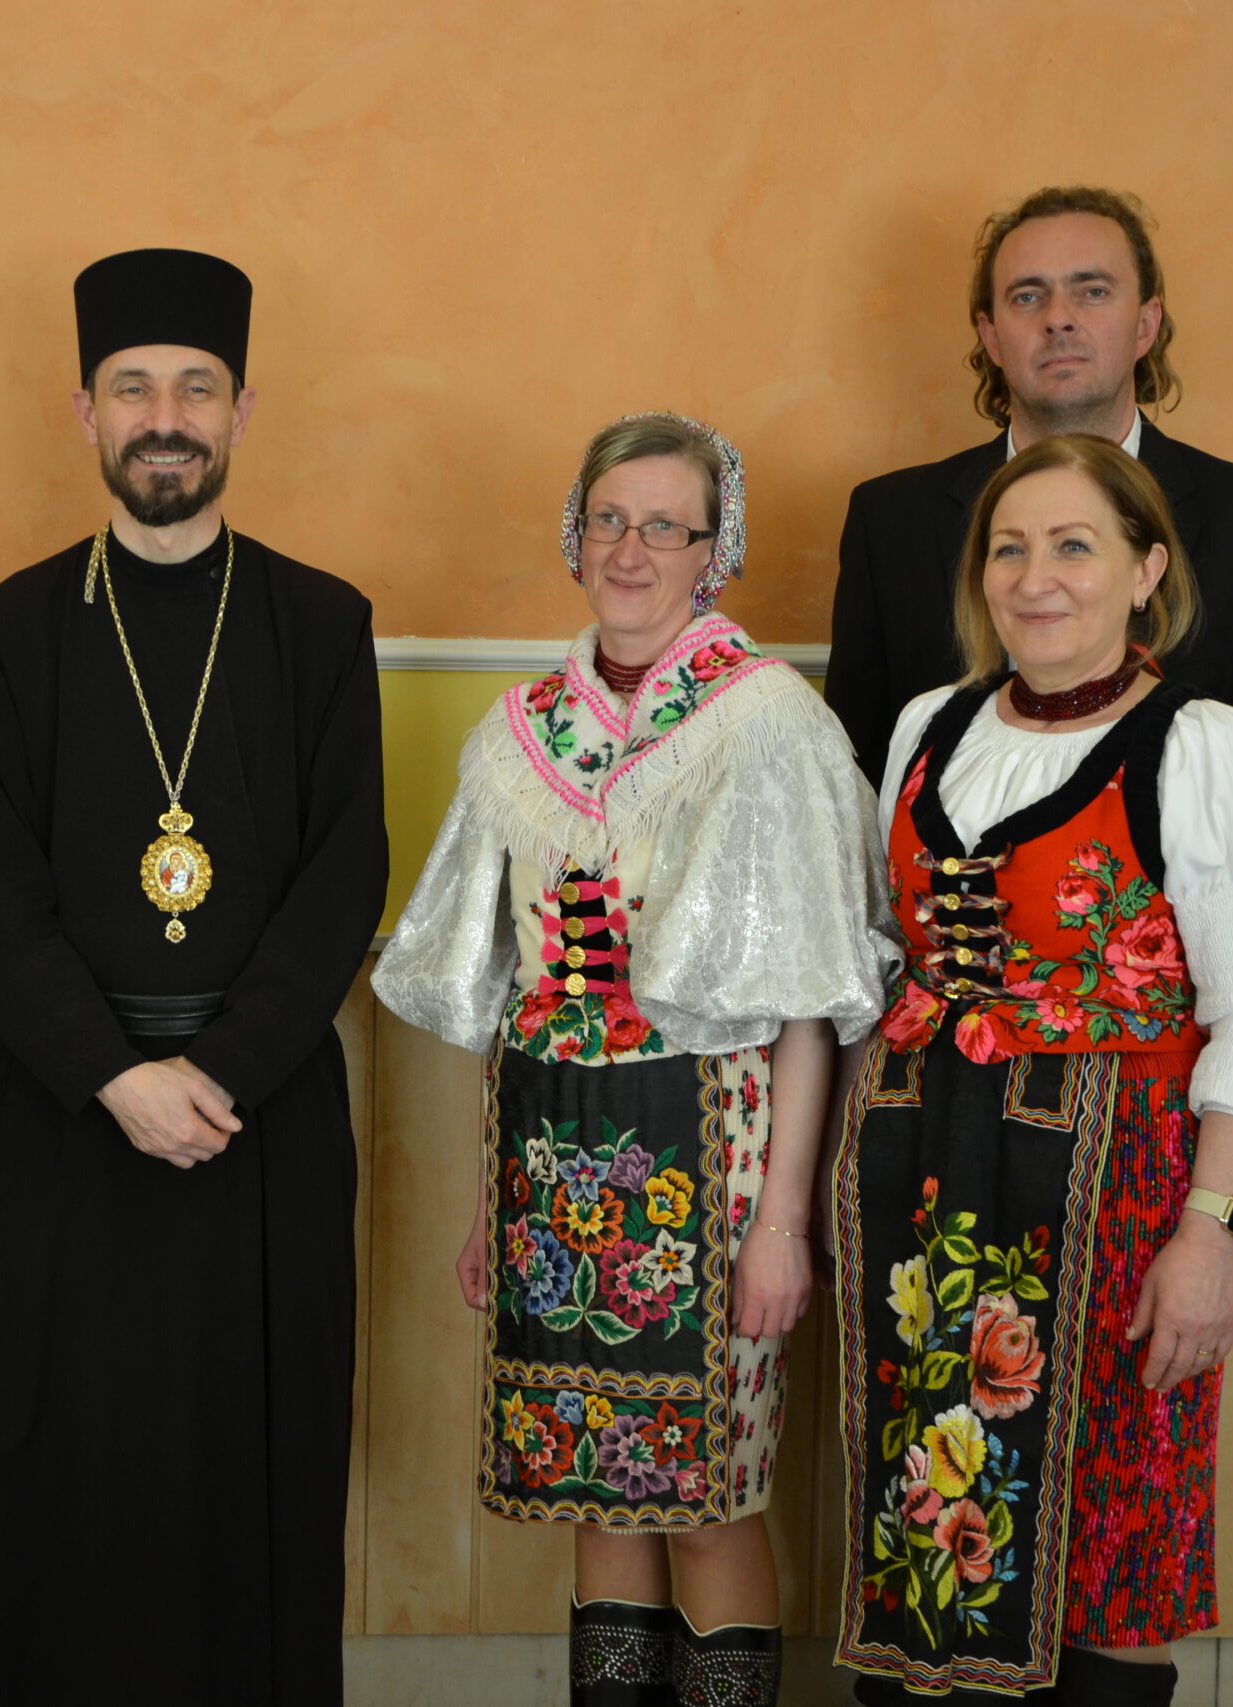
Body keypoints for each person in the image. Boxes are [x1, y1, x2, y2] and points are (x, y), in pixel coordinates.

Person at [0, 248, 386, 1706]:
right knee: (58, 1467)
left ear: (241, 410)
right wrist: (118, 1076)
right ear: (86, 412)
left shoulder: (322, 622)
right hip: (68, 1113)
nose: (164, 417)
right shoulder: (13, 629)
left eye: (195, 387)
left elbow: (343, 880)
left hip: (263, 1118)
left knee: (257, 1463)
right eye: (133, 388)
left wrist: (219, 1068)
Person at [375, 414, 893, 1707]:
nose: (631, 549)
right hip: (551, 1154)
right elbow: (514, 996)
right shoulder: (522, 731)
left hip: (711, 1159)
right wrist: (493, 1207)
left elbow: (808, 1005)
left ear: (715, 552)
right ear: (574, 535)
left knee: (707, 1500)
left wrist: (782, 1223)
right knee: (593, 1487)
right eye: (609, 518)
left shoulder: (765, 721)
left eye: (666, 525)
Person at [831, 434, 1233, 1705]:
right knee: (932, 1529)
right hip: (926, 1184)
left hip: (1119, 1194)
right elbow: (881, 963)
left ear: (1146, 570)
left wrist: (1211, 1237)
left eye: (1072, 546)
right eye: (1008, 548)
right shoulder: (927, 727)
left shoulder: (1206, 748)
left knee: (1115, 1538)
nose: (1033, 577)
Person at [824, 185, 1233, 935]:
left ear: (1145, 323)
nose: (1058, 317)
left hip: (1164, 992)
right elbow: (853, 801)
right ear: (991, 336)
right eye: (1027, 296)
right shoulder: (889, 520)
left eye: (1091, 290)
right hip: (928, 983)